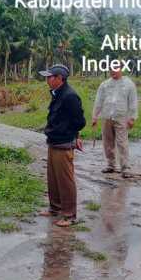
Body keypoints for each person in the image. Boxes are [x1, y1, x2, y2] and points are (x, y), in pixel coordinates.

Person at [38, 64, 86, 227]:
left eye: (49, 77)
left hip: (64, 143)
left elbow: (79, 121)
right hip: (53, 141)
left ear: (59, 78)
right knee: (53, 179)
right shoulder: (57, 93)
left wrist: (73, 135)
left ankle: (69, 215)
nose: (47, 80)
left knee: (65, 180)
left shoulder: (70, 96)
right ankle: (55, 208)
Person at [92, 69, 138, 178]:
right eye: (111, 70)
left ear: (121, 69)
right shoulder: (105, 84)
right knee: (107, 142)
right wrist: (95, 116)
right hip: (107, 116)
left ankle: (125, 168)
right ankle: (111, 165)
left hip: (121, 117)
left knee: (122, 142)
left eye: (115, 69)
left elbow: (133, 101)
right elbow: (99, 101)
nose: (113, 72)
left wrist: (132, 118)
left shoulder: (128, 84)